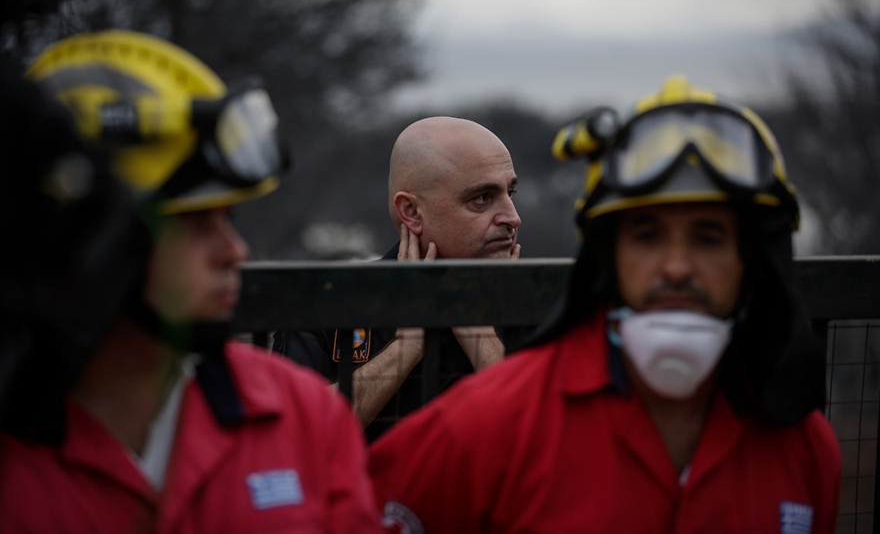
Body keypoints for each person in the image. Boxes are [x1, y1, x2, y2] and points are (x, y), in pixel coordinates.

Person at [369, 76, 841, 533]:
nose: (677, 266)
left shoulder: (808, 449)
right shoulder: (479, 425)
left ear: (756, 259)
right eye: (647, 235)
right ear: (608, 254)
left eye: (708, 237)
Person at [0, 30, 384, 533]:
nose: (234, 251)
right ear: (78, 239)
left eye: (228, 220)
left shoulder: (303, 414)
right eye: (196, 225)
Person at [275, 116, 522, 441]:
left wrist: (476, 331)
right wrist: (406, 347)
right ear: (412, 213)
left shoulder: (542, 305)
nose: (512, 217)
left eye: (510, 192)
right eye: (482, 198)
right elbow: (293, 437)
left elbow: (551, 437)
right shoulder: (326, 303)